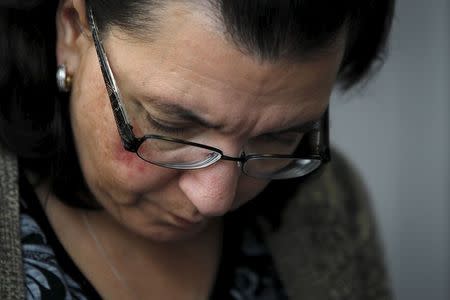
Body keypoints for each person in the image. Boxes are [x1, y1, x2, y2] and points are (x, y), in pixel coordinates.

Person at [0, 0, 395, 299]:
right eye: (171, 126)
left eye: (279, 137)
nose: (215, 201)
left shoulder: (329, 205)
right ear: (73, 31)